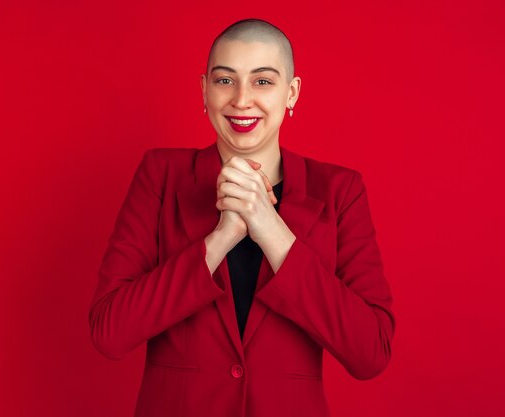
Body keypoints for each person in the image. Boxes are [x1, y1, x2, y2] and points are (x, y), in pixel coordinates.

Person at [88, 18, 395, 417]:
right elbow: (109, 333)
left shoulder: (340, 190)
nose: (241, 100)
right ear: (204, 90)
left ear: (292, 92)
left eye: (263, 81)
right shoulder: (160, 175)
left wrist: (272, 231)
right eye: (225, 80)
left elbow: (371, 352)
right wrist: (220, 238)